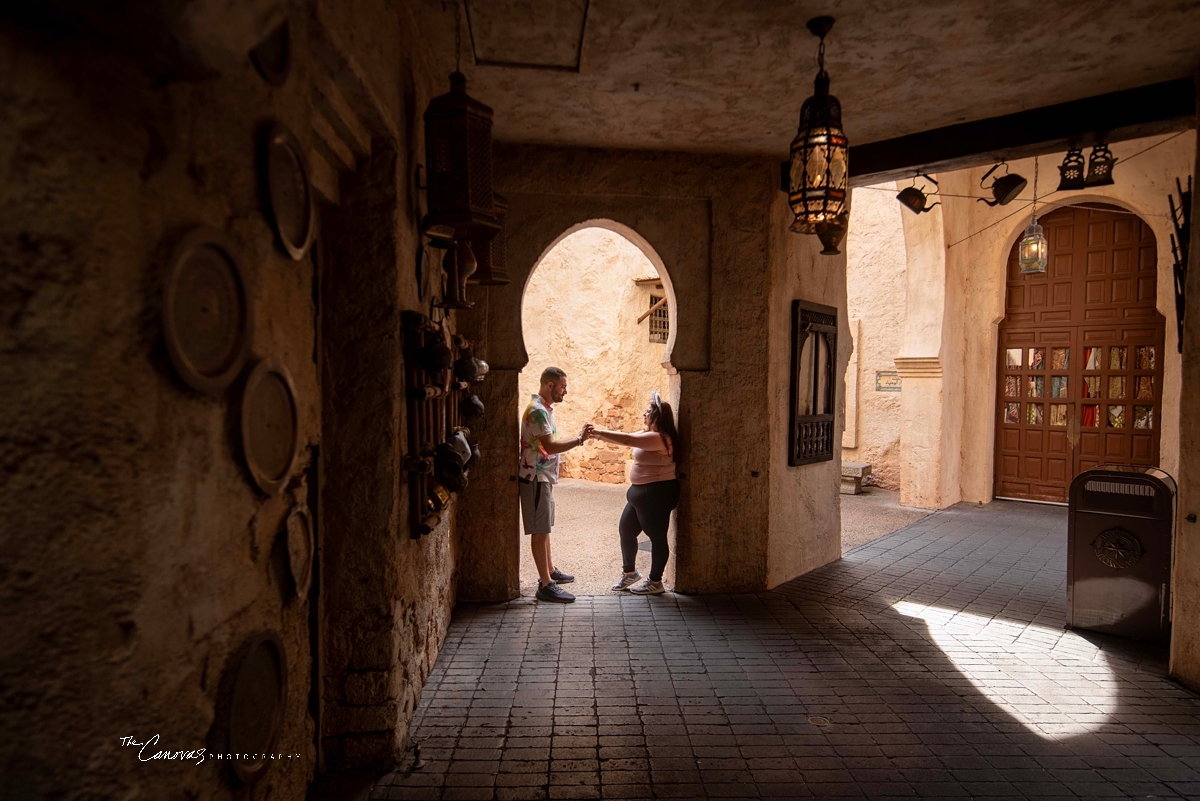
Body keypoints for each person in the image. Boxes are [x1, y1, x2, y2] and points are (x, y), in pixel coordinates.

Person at [587, 392, 680, 595]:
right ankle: (629, 573)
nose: (644, 415)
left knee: (657, 537)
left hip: (656, 493)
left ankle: (655, 582)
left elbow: (628, 439)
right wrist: (598, 435)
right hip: (640, 493)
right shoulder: (649, 435)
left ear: (658, 416)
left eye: (648, 412)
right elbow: (628, 438)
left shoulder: (660, 438)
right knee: (626, 530)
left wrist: (598, 431)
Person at [519, 366, 591, 603]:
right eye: (562, 386)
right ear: (550, 385)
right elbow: (549, 446)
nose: (565, 391)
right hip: (535, 478)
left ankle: (549, 571)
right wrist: (579, 440)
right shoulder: (538, 411)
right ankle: (545, 584)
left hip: (542, 477)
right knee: (539, 531)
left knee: (545, 527)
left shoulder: (544, 409)